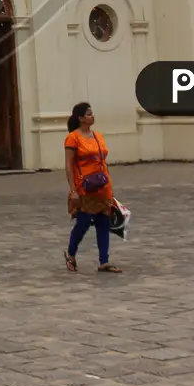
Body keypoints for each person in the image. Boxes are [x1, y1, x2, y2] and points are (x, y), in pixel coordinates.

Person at [64, 101, 122, 273]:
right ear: (80, 118)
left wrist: (109, 187)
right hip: (85, 187)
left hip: (102, 185)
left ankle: (104, 260)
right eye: (89, 114)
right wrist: (73, 190)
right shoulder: (73, 138)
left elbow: (102, 161)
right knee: (82, 222)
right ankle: (71, 253)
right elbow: (68, 165)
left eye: (92, 113)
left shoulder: (98, 136)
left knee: (103, 222)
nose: (92, 116)